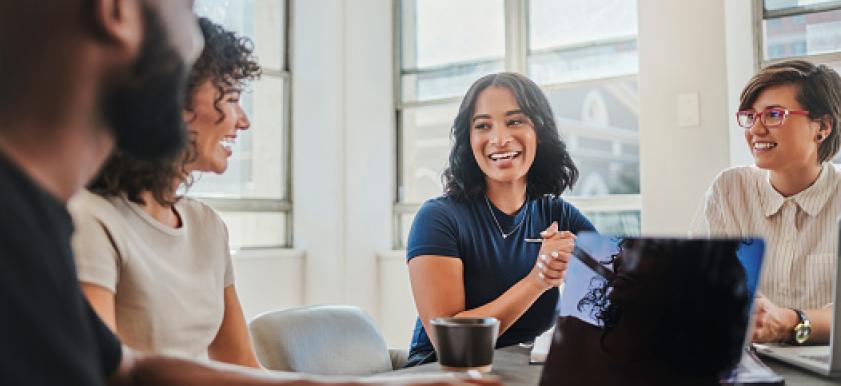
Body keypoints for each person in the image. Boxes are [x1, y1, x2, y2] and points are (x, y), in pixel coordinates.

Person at [0, 1, 497, 386]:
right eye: (188, 11)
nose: (244, 119)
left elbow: (127, 369)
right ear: (117, 10)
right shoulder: (59, 225)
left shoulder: (38, 222)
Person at [70, 17, 260, 367]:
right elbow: (106, 374)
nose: (243, 120)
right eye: (231, 98)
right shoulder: (91, 219)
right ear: (176, 100)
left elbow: (242, 362)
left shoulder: (207, 225)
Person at [405, 72, 596, 367]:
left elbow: (621, 284)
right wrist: (539, 279)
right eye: (483, 125)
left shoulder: (557, 214)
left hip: (521, 369)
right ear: (469, 140)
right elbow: (451, 342)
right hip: (444, 372)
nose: (500, 139)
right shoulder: (438, 218)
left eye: (515, 121)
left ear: (539, 132)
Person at [704, 60, 841, 345]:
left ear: (823, 127)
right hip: (748, 363)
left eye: (774, 115)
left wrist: (790, 322)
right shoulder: (729, 190)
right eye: (750, 116)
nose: (756, 130)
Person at [539, 238, 750, 386]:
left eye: (650, 251)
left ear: (688, 280)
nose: (622, 261)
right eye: (628, 246)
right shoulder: (568, 337)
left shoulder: (694, 377)